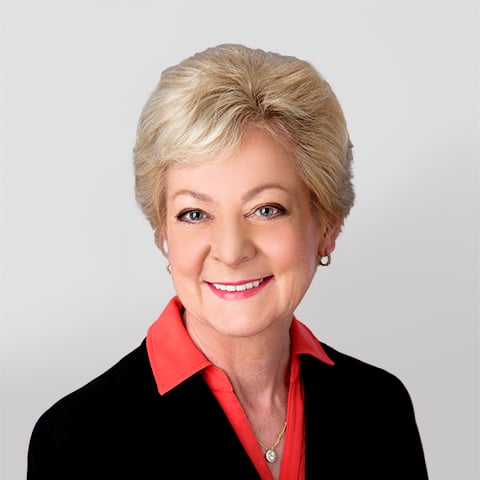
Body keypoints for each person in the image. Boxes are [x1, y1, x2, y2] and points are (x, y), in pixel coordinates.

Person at [27, 44, 428, 479]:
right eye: (194, 214)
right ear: (163, 233)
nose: (232, 251)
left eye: (266, 209)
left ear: (328, 224)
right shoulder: (77, 441)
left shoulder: (380, 407)